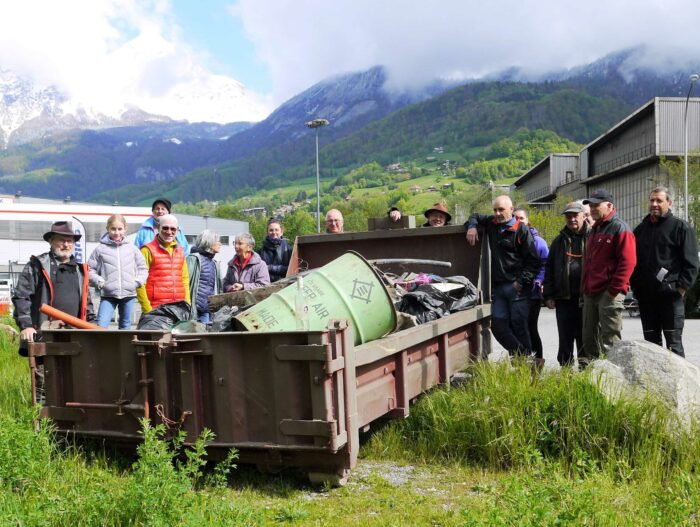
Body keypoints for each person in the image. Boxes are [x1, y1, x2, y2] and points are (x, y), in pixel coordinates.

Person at [12, 221, 95, 402]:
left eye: (70, 241)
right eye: (61, 240)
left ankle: (69, 426)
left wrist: (93, 327)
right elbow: (21, 296)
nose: (66, 245)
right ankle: (42, 425)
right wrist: (26, 325)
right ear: (51, 241)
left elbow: (87, 304)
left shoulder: (81, 270)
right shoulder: (37, 265)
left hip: (74, 337)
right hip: (44, 334)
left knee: (73, 383)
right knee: (44, 383)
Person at [466, 195, 540, 357]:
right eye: (495, 210)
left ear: (511, 210)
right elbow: (475, 216)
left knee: (519, 325)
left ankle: (526, 365)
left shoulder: (521, 230)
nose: (497, 213)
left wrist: (521, 282)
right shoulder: (492, 224)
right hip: (499, 288)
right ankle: (523, 356)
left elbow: (533, 261)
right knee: (498, 326)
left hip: (517, 288)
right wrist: (472, 227)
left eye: (501, 209)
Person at [630, 186, 698, 357]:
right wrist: (637, 288)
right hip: (646, 299)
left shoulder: (681, 227)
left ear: (669, 202)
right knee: (651, 347)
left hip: (670, 298)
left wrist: (681, 288)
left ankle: (680, 384)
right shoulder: (640, 230)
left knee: (674, 346)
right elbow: (633, 262)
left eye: (659, 200)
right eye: (652, 200)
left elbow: (691, 263)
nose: (654, 204)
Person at [580, 189, 636, 364]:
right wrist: (585, 289)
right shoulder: (594, 230)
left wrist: (613, 291)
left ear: (609, 205)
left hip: (608, 293)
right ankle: (594, 379)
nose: (593, 209)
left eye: (597, 205)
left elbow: (628, 262)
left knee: (610, 340)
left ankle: (612, 380)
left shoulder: (620, 228)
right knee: (589, 338)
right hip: (591, 292)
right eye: (591, 205)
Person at [543, 202, 591, 367]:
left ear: (584, 216)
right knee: (565, 337)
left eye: (575, 215)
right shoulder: (558, 241)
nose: (572, 219)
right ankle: (566, 371)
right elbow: (549, 268)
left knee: (585, 337)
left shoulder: (593, 237)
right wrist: (548, 295)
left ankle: (585, 371)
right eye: (568, 216)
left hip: (587, 299)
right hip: (564, 298)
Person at [88, 214, 148, 329]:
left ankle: (124, 347)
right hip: (108, 295)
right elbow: (90, 269)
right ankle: (102, 347)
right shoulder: (100, 249)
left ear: (125, 229)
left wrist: (136, 282)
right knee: (101, 325)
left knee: (125, 326)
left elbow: (143, 268)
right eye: (113, 229)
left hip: (129, 295)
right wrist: (100, 282)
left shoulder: (132, 249)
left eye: (120, 229)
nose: (116, 232)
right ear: (108, 229)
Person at [513, 208, 549, 363]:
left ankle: (538, 360)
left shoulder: (539, 242)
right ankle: (520, 360)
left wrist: (539, 281)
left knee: (531, 327)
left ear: (527, 220)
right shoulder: (512, 239)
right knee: (516, 327)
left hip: (533, 292)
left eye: (521, 218)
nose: (518, 221)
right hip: (516, 291)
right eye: (515, 218)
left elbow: (545, 264)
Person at [136, 214, 190, 314]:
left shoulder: (181, 251)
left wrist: (187, 305)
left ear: (177, 230)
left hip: (179, 309)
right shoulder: (146, 250)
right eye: (165, 228)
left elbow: (185, 280)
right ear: (158, 228)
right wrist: (147, 309)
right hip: (156, 309)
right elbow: (139, 283)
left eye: (173, 229)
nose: (169, 232)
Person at [186, 229, 222, 323]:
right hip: (192, 310)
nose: (220, 244)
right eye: (218, 241)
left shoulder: (214, 263)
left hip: (206, 311)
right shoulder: (194, 259)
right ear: (209, 242)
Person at [260, 218, 293, 282]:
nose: (274, 232)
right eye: (271, 230)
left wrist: (270, 267)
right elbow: (260, 271)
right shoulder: (260, 252)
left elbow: (291, 269)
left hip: (286, 285)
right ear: (267, 233)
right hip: (266, 286)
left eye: (276, 230)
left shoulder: (290, 250)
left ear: (281, 232)